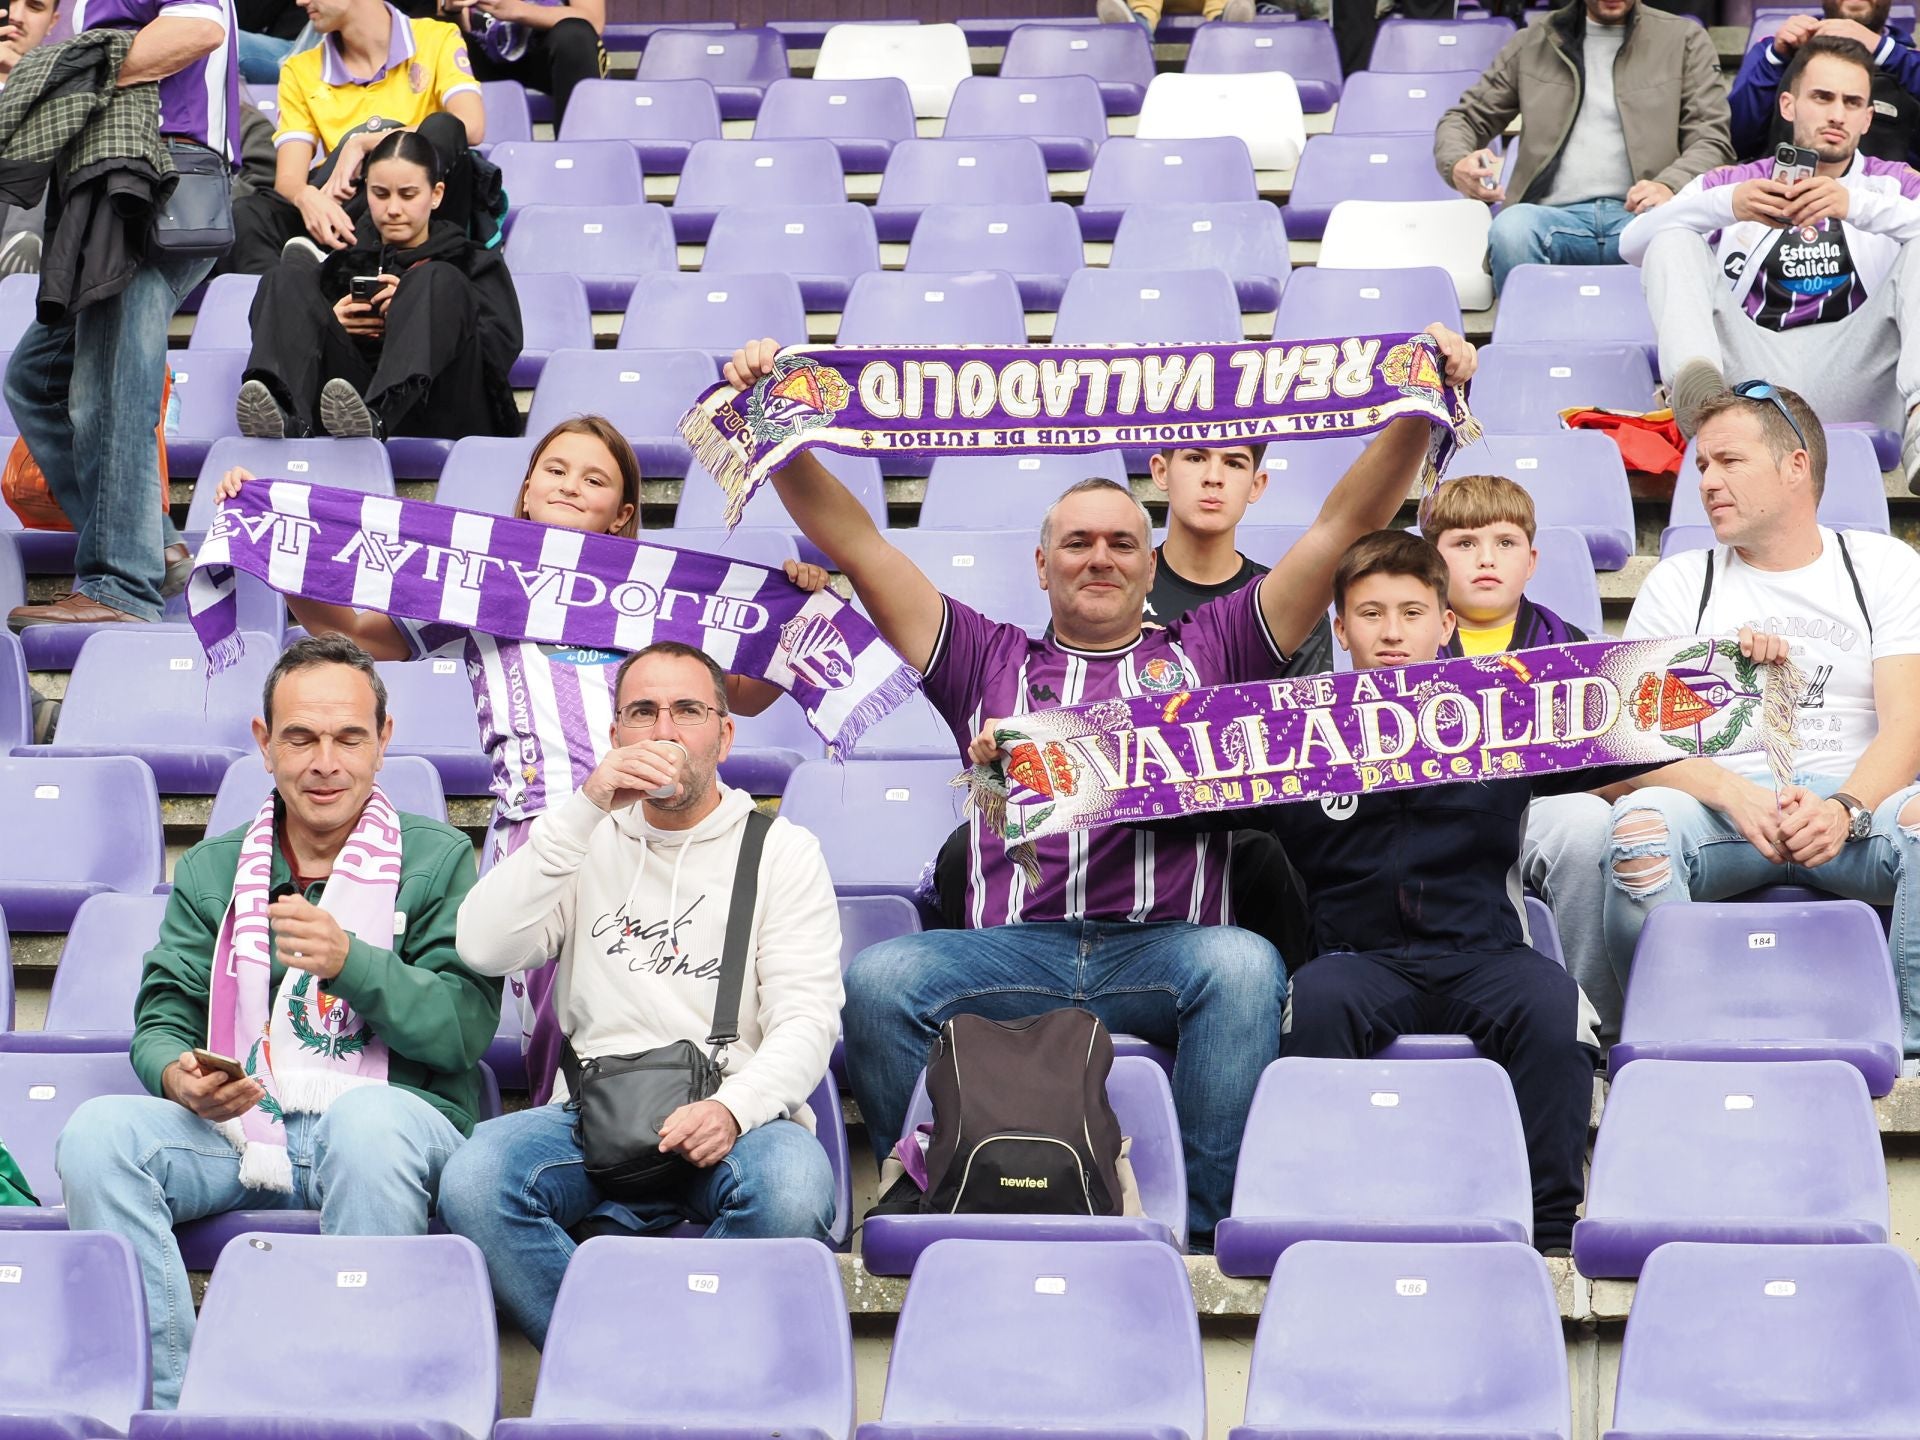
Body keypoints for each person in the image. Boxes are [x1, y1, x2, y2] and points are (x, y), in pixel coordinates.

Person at [723, 325, 1479, 1245]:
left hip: (1161, 950)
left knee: (1244, 967)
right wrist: (776, 417)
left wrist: (1416, 402)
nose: (1100, 556)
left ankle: (1200, 1231)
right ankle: (929, 1180)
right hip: (1016, 953)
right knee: (882, 980)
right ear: (1040, 566)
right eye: (1075, 542)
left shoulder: (1214, 649)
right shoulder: (982, 658)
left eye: (1122, 542)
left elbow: (1341, 530)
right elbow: (857, 541)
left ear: (1150, 565)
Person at [1084, 532, 1785, 1251]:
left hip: (1486, 955)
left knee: (1553, 1009)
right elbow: (1157, 775)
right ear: (1340, 627)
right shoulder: (1289, 734)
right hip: (1357, 960)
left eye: (1413, 612)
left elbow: (1634, 728)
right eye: (1371, 613)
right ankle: (1325, 1222)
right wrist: (1025, 762)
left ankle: (1545, 1237)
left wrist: (1742, 669)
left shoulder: (1507, 714)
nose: (1392, 633)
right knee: (1314, 1007)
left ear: (1446, 625)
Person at [210, 417, 829, 1102]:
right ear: (527, 487)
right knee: (554, 1027)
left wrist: (799, 613)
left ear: (623, 514)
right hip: (539, 837)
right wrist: (269, 541)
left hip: (644, 835)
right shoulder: (481, 586)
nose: (570, 485)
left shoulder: (659, 597)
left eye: (595, 480)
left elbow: (742, 695)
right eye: (556, 470)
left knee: (634, 1003)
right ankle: (562, 1154)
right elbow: (355, 633)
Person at [54, 634, 501, 1408]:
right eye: (301, 737)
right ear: (265, 745)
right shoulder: (215, 867)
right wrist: (176, 1074)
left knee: (367, 1127)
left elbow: (464, 1031)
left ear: (382, 741)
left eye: (347, 737)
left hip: (388, 1130)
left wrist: (352, 962)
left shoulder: (439, 859)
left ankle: (363, 1408)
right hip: (243, 1133)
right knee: (96, 1137)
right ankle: (170, 1406)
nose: (324, 760)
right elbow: (163, 1011)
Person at [438, 641, 842, 1345]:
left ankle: (662, 1368)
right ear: (615, 732)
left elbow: (807, 1021)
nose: (664, 731)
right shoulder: (580, 837)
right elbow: (481, 945)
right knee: (474, 1181)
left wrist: (732, 1107)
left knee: (794, 1189)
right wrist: (585, 809)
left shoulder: (783, 850)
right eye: (642, 713)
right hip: (593, 1113)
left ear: (725, 731)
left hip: (733, 1110)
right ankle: (617, 1362)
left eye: (687, 710)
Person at [1603, 382, 1920, 1059]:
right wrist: (1730, 791)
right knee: (1639, 831)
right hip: (1726, 816)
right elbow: (1623, 754)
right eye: (1702, 468)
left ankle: (1911, 1043)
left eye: (1729, 462)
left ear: (1795, 466)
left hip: (1853, 812)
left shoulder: (1884, 566)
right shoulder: (1680, 582)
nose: (1708, 482)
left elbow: (1907, 726)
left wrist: (1844, 809)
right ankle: (1669, 1036)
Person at [2, 0, 239, 630]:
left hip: (158, 179)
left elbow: (198, 28)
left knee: (111, 392)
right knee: (36, 376)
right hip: (111, 184)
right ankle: (151, 544)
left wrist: (69, 72)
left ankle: (121, 584)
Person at [1621, 37, 1920, 487]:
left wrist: (1853, 205)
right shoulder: (1733, 184)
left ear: (1866, 118)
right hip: (1752, 379)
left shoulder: (1891, 184)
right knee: (1672, 236)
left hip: (1859, 370)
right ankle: (1704, 411)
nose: (1836, 114)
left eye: (1851, 102)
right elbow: (1633, 243)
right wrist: (1727, 205)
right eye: (1822, 97)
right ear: (1788, 105)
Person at [1423, 472, 1622, 1042]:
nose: (1486, 559)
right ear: (1432, 561)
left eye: (1504, 544)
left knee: (1586, 825)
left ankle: (1591, 1022)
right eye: (1464, 544)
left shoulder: (1576, 649)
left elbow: (1615, 765)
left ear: (1531, 561)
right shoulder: (1402, 642)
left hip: (1539, 813)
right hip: (1431, 811)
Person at [235, 128, 518, 440]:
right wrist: (330, 321)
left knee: (436, 279)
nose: (393, 209)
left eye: (408, 195)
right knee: (283, 277)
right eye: (380, 194)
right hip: (350, 413)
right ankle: (283, 413)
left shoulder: (473, 261)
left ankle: (380, 413)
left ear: (436, 194)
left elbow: (495, 357)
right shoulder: (341, 262)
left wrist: (415, 315)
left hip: (441, 405)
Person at [1433, 0, 1731, 295]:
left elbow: (1711, 138)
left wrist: (1670, 183)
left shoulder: (1684, 39)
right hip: (1552, 215)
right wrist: (1457, 162)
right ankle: (1531, 342)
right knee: (1511, 231)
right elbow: (1465, 118)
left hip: (1645, 217)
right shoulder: (1534, 40)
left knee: (1681, 237)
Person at [226, 0, 483, 275]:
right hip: (342, 208)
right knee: (248, 213)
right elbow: (288, 179)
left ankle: (342, 262)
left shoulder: (436, 37)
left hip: (418, 211)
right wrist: (305, 196)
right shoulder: (299, 68)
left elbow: (471, 125)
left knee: (441, 129)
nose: (300, 2)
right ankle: (290, 299)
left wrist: (362, 142)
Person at [1732, 0, 1920, 167]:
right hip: (1785, 192)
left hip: (1888, 198)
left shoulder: (1908, 59)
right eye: (1822, 97)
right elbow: (1735, 142)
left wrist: (1886, 51)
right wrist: (1775, 59)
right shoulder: (1771, 53)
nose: (1837, 116)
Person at [443, 0, 601, 127]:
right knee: (436, 35)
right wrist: (452, 9)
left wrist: (519, 10)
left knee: (575, 36)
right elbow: (456, 28)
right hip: (482, 51)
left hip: (548, 53)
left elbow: (593, 20)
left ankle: (577, 154)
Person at [0, 0, 64, 276]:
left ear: (52, 22)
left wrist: (30, 81)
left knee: (53, 120)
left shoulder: (63, 93)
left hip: (33, 228)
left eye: (34, 7)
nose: (16, 17)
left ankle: (19, 247)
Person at [1095, 0, 1253, 28]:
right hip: (1158, 7)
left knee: (1222, 7)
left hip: (1205, 6)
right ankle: (1137, 26)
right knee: (1146, 7)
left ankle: (1225, 22)